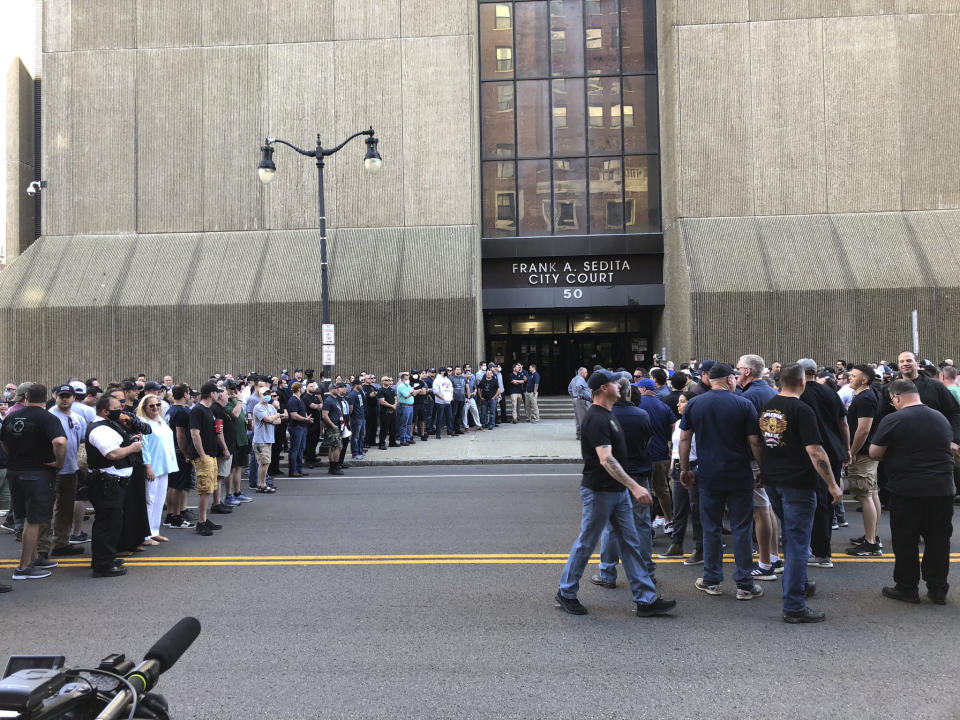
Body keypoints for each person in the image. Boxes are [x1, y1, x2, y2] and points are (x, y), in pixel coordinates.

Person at [555, 369, 676, 618]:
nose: (620, 385)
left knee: (630, 543)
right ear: (603, 389)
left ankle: (646, 598)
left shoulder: (608, 415)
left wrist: (627, 486)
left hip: (617, 491)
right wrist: (634, 485)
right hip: (599, 491)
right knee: (587, 542)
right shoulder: (596, 418)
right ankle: (566, 592)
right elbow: (605, 459)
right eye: (613, 382)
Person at [759, 363, 843, 623]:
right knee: (797, 543)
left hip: (774, 481)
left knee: (793, 537)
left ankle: (800, 584)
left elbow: (760, 442)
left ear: (779, 381)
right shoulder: (802, 409)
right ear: (803, 382)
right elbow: (815, 450)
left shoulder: (767, 406)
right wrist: (832, 483)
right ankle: (794, 605)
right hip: (798, 483)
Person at [679, 363, 765, 600]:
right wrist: (763, 468)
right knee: (741, 528)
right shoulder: (743, 403)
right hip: (739, 473)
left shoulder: (695, 403)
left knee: (711, 527)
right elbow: (755, 441)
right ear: (729, 379)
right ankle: (745, 583)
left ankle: (711, 579)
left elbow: (685, 438)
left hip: (708, 474)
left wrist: (684, 468)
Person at [870, 379, 955, 605]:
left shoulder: (894, 419)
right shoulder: (940, 418)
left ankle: (907, 587)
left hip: (908, 488)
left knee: (905, 539)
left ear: (896, 398)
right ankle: (937, 589)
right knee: (938, 539)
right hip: (942, 488)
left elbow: (875, 452)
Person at [592, 378, 657, 589]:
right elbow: (648, 440)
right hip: (639, 474)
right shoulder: (642, 415)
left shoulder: (606, 416)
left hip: (614, 477)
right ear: (630, 393)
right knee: (642, 525)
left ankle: (607, 572)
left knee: (611, 527)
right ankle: (647, 570)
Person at [1, 384, 67, 582]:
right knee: (34, 520)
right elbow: (60, 442)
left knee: (26, 517)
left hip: (15, 472)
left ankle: (35, 559)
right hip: (38, 473)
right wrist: (59, 463)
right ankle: (23, 567)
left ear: (26, 397)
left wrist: (13, 455)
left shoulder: (12, 417)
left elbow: (3, 440)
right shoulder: (48, 418)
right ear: (46, 398)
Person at [797, 358, 850, 568]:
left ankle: (813, 550)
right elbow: (843, 423)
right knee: (828, 501)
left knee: (809, 502)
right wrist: (846, 449)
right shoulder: (830, 392)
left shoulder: (799, 395)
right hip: (834, 451)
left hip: (811, 453)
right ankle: (823, 551)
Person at [84, 394, 141, 578]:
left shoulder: (110, 425)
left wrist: (130, 440)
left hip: (114, 483)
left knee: (112, 523)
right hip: (107, 484)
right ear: (105, 411)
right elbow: (112, 453)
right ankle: (103, 565)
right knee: (107, 524)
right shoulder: (99, 429)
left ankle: (105, 558)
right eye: (117, 408)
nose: (121, 411)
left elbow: (119, 445)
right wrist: (132, 448)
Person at [735, 354, 781, 581]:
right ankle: (773, 557)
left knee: (761, 510)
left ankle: (765, 564)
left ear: (747, 372)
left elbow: (752, 436)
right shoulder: (771, 391)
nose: (736, 372)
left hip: (757, 459)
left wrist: (761, 465)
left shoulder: (750, 396)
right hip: (771, 456)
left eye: (738, 368)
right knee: (767, 508)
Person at [39, 385, 86, 561]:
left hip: (70, 469)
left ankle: (61, 544)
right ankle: (42, 549)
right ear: (55, 396)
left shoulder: (78, 418)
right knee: (45, 510)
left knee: (65, 510)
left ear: (74, 398)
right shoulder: (49, 416)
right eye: (61, 396)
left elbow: (80, 439)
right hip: (50, 469)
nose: (65, 399)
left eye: (68, 396)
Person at [844, 365, 882, 556]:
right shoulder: (864, 396)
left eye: (853, 376)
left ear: (864, 380)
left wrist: (852, 451)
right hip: (867, 452)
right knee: (871, 493)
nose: (849, 378)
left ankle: (870, 543)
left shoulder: (866, 398)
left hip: (863, 453)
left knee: (865, 495)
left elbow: (863, 429)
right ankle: (872, 536)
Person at [660, 391, 702, 563]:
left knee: (696, 509)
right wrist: (672, 468)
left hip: (693, 469)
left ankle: (700, 549)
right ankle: (676, 544)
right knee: (679, 508)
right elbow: (675, 449)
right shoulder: (678, 423)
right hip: (678, 469)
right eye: (678, 402)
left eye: (682, 402)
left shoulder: (699, 423)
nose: (678, 405)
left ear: (691, 404)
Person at [635, 378, 676, 532]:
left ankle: (647, 523)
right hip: (661, 454)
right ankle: (668, 520)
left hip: (643, 454)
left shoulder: (638, 405)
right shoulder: (663, 406)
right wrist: (671, 446)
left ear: (643, 389)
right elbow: (674, 426)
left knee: (644, 490)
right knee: (662, 490)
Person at [137, 394, 176, 545]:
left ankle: (154, 531)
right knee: (149, 500)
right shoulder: (142, 423)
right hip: (152, 466)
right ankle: (145, 535)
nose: (155, 408)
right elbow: (144, 447)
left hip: (164, 465)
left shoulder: (161, 421)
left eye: (157, 405)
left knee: (159, 500)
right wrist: (147, 466)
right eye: (151, 406)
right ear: (144, 408)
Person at [188, 381, 224, 536]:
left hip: (211, 454)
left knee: (210, 487)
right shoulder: (198, 410)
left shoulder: (208, 410)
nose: (219, 394)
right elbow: (194, 433)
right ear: (211, 394)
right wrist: (202, 455)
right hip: (204, 456)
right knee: (204, 489)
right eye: (217, 392)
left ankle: (204, 518)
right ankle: (201, 523)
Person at [252, 388, 282, 492]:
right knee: (264, 462)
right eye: (265, 394)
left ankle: (261, 483)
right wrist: (276, 416)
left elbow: (278, 421)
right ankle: (261, 484)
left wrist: (272, 419)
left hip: (269, 439)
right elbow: (269, 419)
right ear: (260, 395)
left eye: (268, 393)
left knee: (266, 463)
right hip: (261, 440)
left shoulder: (270, 407)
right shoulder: (258, 408)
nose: (267, 395)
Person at [285, 381, 312, 476]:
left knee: (301, 449)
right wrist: (305, 419)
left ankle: (299, 469)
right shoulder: (293, 400)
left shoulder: (300, 399)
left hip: (302, 427)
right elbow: (293, 415)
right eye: (302, 387)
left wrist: (307, 418)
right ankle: (292, 471)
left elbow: (302, 412)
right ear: (299, 389)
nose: (303, 389)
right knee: (295, 449)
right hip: (296, 427)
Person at [567, 367, 590, 440]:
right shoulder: (580, 379)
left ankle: (579, 434)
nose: (587, 374)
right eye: (586, 372)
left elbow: (569, 389)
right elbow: (578, 387)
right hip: (580, 400)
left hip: (575, 399)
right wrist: (580, 395)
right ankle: (584, 436)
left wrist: (574, 396)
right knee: (583, 418)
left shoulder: (573, 379)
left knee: (578, 418)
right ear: (581, 373)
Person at [377, 376, 399, 450]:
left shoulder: (392, 390)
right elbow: (382, 401)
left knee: (393, 428)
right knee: (384, 429)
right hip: (385, 412)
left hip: (392, 411)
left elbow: (395, 398)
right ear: (382, 382)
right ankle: (381, 444)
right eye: (386, 380)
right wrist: (391, 406)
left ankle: (392, 442)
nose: (388, 381)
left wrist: (395, 405)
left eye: (389, 380)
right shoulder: (381, 390)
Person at [396, 372, 415, 446]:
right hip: (404, 406)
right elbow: (407, 395)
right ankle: (402, 439)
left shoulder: (407, 385)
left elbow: (412, 392)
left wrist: (412, 392)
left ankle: (407, 438)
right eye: (407, 377)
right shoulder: (401, 386)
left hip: (410, 406)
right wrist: (412, 392)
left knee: (409, 424)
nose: (408, 379)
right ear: (403, 379)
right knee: (404, 424)